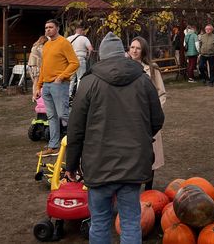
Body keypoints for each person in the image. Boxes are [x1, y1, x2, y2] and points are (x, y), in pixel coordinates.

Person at [65, 32, 164, 243]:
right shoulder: (143, 81)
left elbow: (75, 129)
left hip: (99, 164)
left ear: (101, 56)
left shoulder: (88, 83)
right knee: (130, 222)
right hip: (132, 163)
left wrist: (71, 165)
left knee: (100, 222)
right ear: (123, 53)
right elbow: (157, 120)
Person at [33, 19, 79, 157]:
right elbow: (43, 67)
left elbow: (74, 63)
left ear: (57, 28)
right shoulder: (46, 45)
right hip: (46, 86)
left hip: (59, 85)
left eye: (51, 27)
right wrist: (38, 86)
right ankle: (53, 146)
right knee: (51, 116)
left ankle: (81, 138)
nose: (48, 29)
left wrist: (61, 77)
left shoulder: (64, 43)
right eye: (46, 27)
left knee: (63, 114)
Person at [128, 36, 166, 190]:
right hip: (131, 120)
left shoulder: (151, 69)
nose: (134, 50)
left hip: (149, 120)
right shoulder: (125, 69)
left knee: (151, 156)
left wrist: (155, 112)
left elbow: (161, 93)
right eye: (132, 47)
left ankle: (148, 189)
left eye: (138, 48)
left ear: (143, 50)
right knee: (133, 156)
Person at [66, 25, 93, 100]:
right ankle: (78, 96)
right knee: (80, 78)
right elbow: (90, 49)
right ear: (81, 30)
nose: (84, 32)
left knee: (71, 78)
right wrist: (87, 57)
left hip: (70, 61)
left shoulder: (68, 39)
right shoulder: (84, 38)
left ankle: (69, 95)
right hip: (80, 59)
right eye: (84, 31)